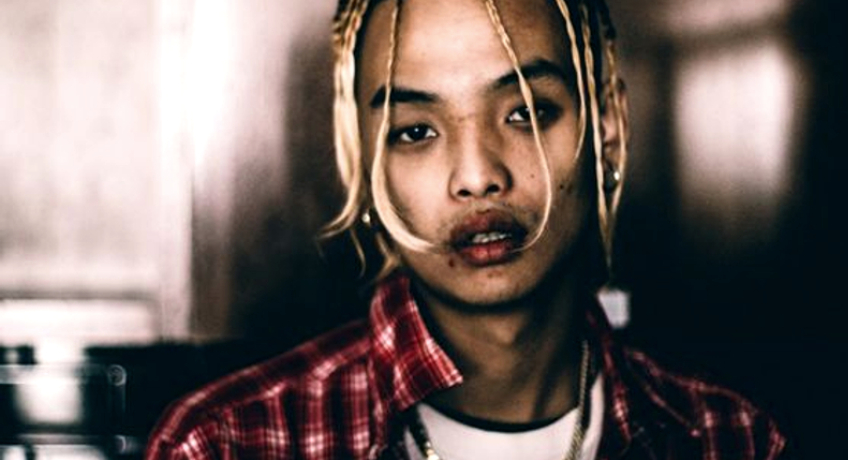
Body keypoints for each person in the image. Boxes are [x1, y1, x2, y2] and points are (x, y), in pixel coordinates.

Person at [146, 0, 788, 458]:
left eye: (526, 112)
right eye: (415, 132)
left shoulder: (727, 438)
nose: (478, 175)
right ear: (364, 162)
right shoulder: (228, 444)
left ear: (609, 129)